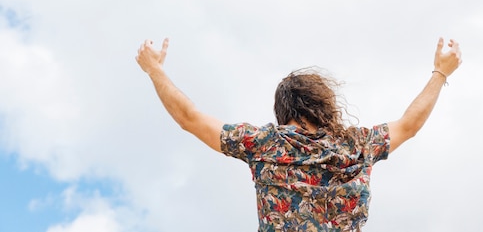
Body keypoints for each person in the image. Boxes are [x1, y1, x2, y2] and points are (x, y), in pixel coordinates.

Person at [136, 37, 462, 232]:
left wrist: (155, 70)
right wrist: (440, 72)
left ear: (282, 112)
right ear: (325, 105)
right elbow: (409, 124)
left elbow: (190, 119)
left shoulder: (264, 144)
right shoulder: (358, 144)